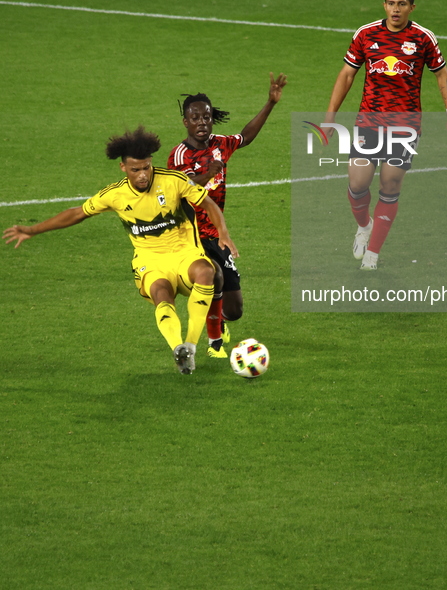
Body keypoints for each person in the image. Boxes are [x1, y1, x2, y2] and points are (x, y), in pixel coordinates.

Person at [2, 126, 238, 376]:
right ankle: (177, 348)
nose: (143, 175)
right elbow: (77, 213)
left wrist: (223, 232)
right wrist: (33, 230)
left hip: (184, 253)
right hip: (150, 260)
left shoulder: (173, 181)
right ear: (123, 168)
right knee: (160, 292)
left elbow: (208, 203)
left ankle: (190, 346)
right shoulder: (114, 195)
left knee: (206, 272)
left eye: (146, 167)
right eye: (136, 170)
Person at [325, 0, 447, 270]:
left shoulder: (423, 38)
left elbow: (442, 75)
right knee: (357, 184)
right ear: (384, 4)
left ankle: (372, 254)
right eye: (391, 3)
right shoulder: (366, 34)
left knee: (390, 185)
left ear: (412, 6)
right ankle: (364, 226)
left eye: (402, 4)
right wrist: (330, 115)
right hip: (369, 123)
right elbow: (347, 74)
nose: (395, 9)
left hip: (404, 128)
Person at [168, 72, 287, 356]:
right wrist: (205, 174)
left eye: (206, 117)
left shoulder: (221, 144)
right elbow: (178, 190)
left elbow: (245, 137)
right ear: (185, 122)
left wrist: (270, 103)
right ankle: (214, 342)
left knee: (235, 311)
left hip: (216, 234)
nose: (202, 123)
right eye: (195, 118)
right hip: (189, 236)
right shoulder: (179, 156)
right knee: (215, 276)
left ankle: (219, 320)